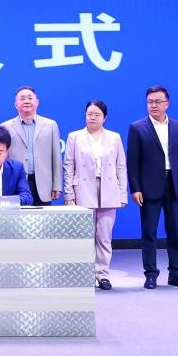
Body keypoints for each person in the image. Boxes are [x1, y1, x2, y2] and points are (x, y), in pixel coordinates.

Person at [127, 86, 178, 290]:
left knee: (174, 230)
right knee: (149, 231)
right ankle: (151, 274)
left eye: (157, 101)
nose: (153, 105)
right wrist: (135, 188)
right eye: (150, 101)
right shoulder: (137, 127)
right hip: (149, 187)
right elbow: (133, 162)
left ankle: (176, 273)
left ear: (167, 103)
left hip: (175, 184)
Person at [64, 100, 127, 290]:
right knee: (84, 236)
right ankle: (85, 274)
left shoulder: (114, 137)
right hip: (83, 189)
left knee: (104, 237)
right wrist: (69, 194)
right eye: (89, 114)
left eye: (97, 114)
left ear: (104, 118)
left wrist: (122, 194)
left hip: (108, 189)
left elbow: (121, 167)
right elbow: (68, 166)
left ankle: (102, 274)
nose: (92, 117)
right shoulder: (74, 137)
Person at [1, 86, 62, 205]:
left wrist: (57, 185)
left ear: (37, 102)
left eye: (30, 98)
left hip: (44, 185)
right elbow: (3, 159)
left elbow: (56, 158)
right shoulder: (6, 127)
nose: (26, 101)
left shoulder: (51, 125)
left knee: (43, 217)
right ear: (16, 105)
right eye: (22, 98)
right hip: (16, 183)